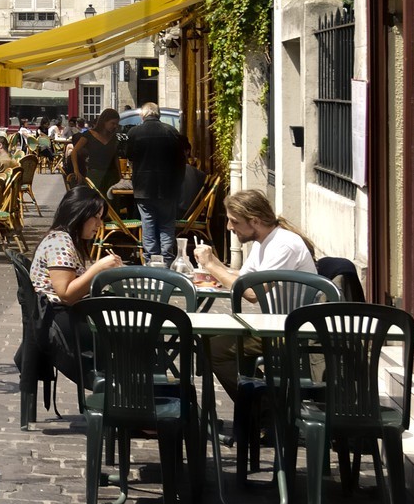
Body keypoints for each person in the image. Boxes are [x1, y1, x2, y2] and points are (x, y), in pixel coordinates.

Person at [193, 189, 319, 397]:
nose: (229, 227)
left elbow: (251, 292)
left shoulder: (283, 245)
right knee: (208, 337)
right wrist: (211, 264)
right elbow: (243, 276)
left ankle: (263, 408)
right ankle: (264, 403)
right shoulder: (264, 243)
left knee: (213, 349)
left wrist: (212, 266)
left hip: (293, 330)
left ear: (255, 221)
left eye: (234, 221)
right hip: (275, 325)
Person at [30, 185, 123, 386]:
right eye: (96, 217)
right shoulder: (60, 242)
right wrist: (98, 268)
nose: (100, 224)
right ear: (79, 214)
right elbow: (66, 294)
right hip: (59, 320)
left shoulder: (65, 239)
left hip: (62, 316)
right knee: (128, 331)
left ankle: (124, 387)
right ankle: (123, 388)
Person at [126, 101, 187, 266]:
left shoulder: (135, 132)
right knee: (167, 224)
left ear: (143, 115)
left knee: (148, 224)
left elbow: (128, 156)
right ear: (158, 114)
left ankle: (151, 261)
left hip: (143, 187)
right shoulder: (171, 131)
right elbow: (183, 155)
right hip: (168, 187)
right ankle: (167, 260)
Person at [68, 108, 122, 194]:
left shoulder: (113, 137)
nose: (115, 126)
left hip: (112, 176)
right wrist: (76, 170)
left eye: (116, 124)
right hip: (95, 175)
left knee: (112, 204)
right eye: (113, 123)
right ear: (104, 121)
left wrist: (120, 176)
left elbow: (115, 157)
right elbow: (74, 152)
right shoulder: (89, 134)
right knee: (96, 202)